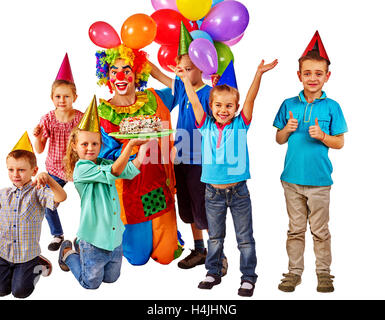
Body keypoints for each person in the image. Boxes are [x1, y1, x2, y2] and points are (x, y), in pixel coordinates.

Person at [170, 57, 278, 297]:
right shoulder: (204, 125)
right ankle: (213, 271)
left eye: (229, 106)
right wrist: (187, 79)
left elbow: (250, 98)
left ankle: (248, 277)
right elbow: (195, 101)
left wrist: (258, 73)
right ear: (212, 106)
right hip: (213, 193)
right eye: (218, 105)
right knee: (216, 237)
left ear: (236, 108)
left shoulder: (241, 125)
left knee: (245, 238)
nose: (223, 110)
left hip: (238, 192)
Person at [93, 41, 182, 265]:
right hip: (128, 191)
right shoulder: (102, 113)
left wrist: (151, 68)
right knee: (137, 258)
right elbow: (104, 159)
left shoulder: (154, 98)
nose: (120, 76)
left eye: (127, 70)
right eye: (114, 71)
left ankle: (171, 236)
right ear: (107, 76)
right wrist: (133, 147)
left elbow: (183, 90)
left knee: (166, 256)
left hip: (157, 186)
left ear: (137, 74)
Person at [273, 31, 347, 293]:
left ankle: (324, 273)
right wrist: (288, 129)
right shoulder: (288, 104)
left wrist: (323, 136)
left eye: (318, 73)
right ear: (299, 75)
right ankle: (294, 273)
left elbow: (339, 142)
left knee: (320, 231)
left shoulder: (332, 107)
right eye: (307, 73)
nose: (313, 78)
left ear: (327, 76)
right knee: (294, 230)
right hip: (291, 180)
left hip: (319, 182)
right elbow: (279, 139)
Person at [58, 97, 151, 289]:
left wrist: (144, 146)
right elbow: (116, 171)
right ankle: (68, 252)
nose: (90, 148)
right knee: (91, 284)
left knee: (111, 279)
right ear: (75, 146)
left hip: (114, 238)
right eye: (85, 144)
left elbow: (129, 170)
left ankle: (80, 248)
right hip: (93, 239)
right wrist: (130, 145)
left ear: (101, 145)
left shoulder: (103, 164)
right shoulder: (81, 169)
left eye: (95, 144)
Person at [149, 22, 217, 270]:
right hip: (180, 158)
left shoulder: (209, 93)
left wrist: (183, 80)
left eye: (190, 69)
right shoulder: (180, 87)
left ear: (201, 68)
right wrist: (146, 64)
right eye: (182, 69)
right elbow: (161, 76)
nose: (185, 74)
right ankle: (199, 250)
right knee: (187, 209)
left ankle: (218, 253)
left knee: (203, 209)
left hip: (201, 160)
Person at [0, 132, 67, 298]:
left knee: (20, 292)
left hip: (26, 255)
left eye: (21, 170)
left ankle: (37, 263)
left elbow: (61, 197)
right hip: (4, 252)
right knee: (2, 291)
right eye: (11, 169)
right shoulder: (3, 194)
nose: (16, 174)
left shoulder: (38, 193)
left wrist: (49, 180)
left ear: (34, 171)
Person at [33, 53, 83, 251]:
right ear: (52, 98)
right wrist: (38, 137)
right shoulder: (47, 119)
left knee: (90, 199)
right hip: (54, 168)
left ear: (75, 97)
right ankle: (57, 235)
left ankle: (85, 236)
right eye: (58, 96)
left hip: (78, 167)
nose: (62, 100)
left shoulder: (80, 118)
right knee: (47, 201)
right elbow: (39, 150)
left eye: (67, 96)